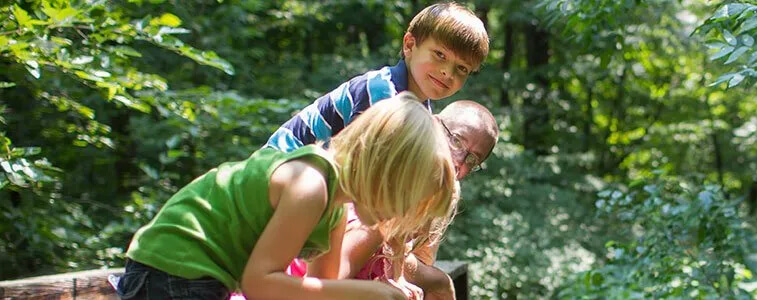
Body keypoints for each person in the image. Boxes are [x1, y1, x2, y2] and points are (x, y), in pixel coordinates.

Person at [117, 94, 457, 300]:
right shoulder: (309, 186)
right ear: (383, 169)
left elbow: (323, 287)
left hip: (190, 276)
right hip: (172, 272)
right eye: (403, 202)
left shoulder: (333, 211)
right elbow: (259, 285)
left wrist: (383, 289)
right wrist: (373, 292)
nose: (396, 216)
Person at [265, 1, 490, 152]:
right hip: (284, 163)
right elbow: (359, 167)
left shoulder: (421, 110)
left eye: (461, 69)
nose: (447, 72)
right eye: (439, 54)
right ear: (410, 45)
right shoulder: (382, 92)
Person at [335, 100, 499, 300]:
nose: (459, 159)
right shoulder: (369, 230)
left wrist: (397, 282)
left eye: (472, 159)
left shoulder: (443, 190)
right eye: (456, 140)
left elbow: (401, 251)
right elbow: (325, 285)